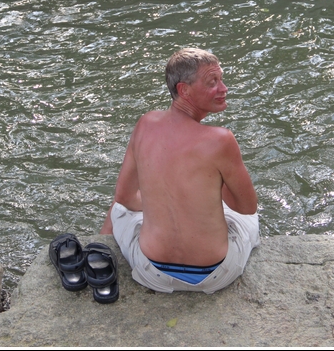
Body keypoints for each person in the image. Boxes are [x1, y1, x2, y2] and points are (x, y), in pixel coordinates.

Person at [100, 47, 260, 293]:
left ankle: (99, 248)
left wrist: (160, 203)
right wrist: (211, 185)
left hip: (152, 272)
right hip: (215, 275)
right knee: (249, 218)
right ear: (184, 90)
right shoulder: (220, 140)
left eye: (221, 79)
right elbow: (247, 207)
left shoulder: (144, 124)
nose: (224, 88)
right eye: (212, 82)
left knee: (118, 209)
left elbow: (125, 197)